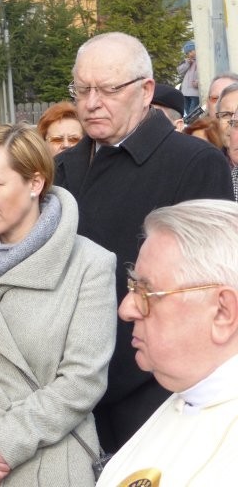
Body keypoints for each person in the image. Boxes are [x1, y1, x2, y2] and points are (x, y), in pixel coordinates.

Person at [55, 32, 233, 453]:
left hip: (156, 390)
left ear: (146, 90)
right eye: (82, 90)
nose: (92, 102)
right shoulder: (61, 167)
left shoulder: (194, 162)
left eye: (108, 89)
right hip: (69, 387)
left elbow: (207, 288)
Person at [0, 124, 117, 487]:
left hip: (52, 464)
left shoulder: (89, 264)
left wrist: (3, 444)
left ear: (35, 183)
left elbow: (82, 381)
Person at [96, 199, 238, 486]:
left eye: (146, 292)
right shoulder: (189, 394)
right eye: (133, 286)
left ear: (222, 312)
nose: (126, 309)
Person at [177, 40, 199, 116]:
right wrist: (187, 63)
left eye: (191, 51)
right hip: (185, 92)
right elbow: (180, 71)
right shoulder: (187, 62)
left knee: (192, 115)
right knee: (188, 114)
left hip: (195, 93)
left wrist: (198, 82)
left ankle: (194, 124)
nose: (190, 54)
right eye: (187, 53)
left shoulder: (201, 61)